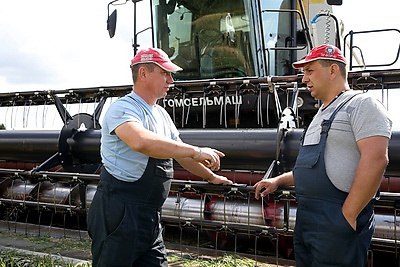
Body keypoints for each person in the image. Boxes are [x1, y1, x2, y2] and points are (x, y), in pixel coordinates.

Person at [87, 47, 233, 267]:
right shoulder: (122, 108)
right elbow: (141, 142)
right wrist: (197, 151)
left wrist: (211, 177)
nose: (171, 80)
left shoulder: (160, 113)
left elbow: (178, 152)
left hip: (149, 217)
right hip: (119, 213)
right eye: (165, 73)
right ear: (143, 73)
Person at [254, 44, 392, 267]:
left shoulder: (361, 104)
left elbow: (376, 159)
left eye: (310, 71)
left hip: (337, 219)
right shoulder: (320, 114)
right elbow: (312, 169)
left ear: (332, 70)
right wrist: (277, 180)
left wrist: (347, 215)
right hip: (308, 220)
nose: (304, 79)